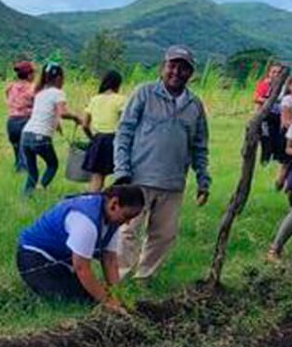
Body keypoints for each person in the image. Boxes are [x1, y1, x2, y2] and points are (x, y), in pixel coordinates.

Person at [112, 45, 211, 280]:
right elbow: (124, 132)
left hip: (173, 182)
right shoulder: (144, 93)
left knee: (164, 235)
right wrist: (121, 170)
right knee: (128, 232)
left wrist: (203, 179)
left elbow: (199, 145)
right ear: (163, 67)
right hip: (138, 179)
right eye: (172, 65)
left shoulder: (194, 105)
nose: (177, 72)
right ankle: (119, 278)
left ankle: (144, 277)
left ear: (191, 73)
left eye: (183, 68)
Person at [16, 184, 146, 307]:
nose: (128, 222)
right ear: (114, 204)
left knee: (91, 295)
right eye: (127, 216)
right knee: (76, 302)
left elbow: (110, 260)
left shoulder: (112, 219)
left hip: (62, 262)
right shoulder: (86, 221)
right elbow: (81, 267)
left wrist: (117, 295)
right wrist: (108, 302)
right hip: (35, 258)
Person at [19, 63, 83, 196]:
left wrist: (57, 125)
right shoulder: (58, 93)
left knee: (32, 173)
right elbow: (63, 113)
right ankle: (41, 189)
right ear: (59, 78)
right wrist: (76, 117)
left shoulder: (40, 93)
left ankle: (26, 198)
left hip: (26, 135)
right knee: (52, 165)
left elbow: (45, 113)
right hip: (40, 137)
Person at [81, 69, 125, 191]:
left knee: (97, 177)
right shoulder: (121, 100)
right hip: (115, 140)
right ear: (118, 84)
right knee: (122, 174)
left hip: (98, 139)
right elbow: (126, 123)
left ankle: (91, 202)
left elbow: (84, 124)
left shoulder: (94, 99)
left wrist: (92, 138)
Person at [5, 61, 35, 171]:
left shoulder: (11, 87)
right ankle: (25, 179)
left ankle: (17, 169)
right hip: (26, 122)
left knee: (17, 152)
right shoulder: (33, 88)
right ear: (29, 75)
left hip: (11, 122)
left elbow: (8, 97)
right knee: (26, 156)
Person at [254, 62, 285, 164]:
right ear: (269, 73)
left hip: (279, 116)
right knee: (266, 140)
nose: (276, 74)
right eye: (273, 72)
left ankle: (275, 162)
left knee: (278, 140)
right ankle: (265, 161)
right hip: (266, 116)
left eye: (279, 72)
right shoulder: (264, 85)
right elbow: (257, 98)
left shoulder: (284, 88)